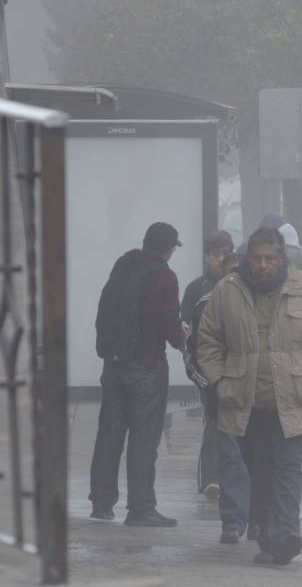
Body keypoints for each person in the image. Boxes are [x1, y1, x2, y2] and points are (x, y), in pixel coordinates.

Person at [197, 227, 302, 565]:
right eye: (257, 258)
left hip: (295, 401)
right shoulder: (227, 292)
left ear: (282, 258)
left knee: (288, 468)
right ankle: (266, 534)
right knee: (259, 472)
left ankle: (285, 534)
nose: (263, 265)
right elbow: (208, 342)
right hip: (246, 403)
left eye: (270, 258)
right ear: (247, 258)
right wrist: (219, 382)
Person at [89, 222, 185, 527]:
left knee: (109, 436)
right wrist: (184, 343)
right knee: (144, 440)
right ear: (169, 249)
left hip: (114, 367)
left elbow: (104, 308)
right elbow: (168, 321)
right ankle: (141, 508)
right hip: (147, 368)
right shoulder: (164, 276)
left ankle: (102, 503)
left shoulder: (123, 265)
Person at [183, 253, 253, 544]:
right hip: (222, 395)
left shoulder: (261, 303)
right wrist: (211, 384)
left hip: (256, 396)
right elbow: (196, 348)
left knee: (254, 458)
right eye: (230, 274)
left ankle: (256, 518)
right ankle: (233, 521)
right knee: (229, 456)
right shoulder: (205, 302)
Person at [181, 229, 234, 499]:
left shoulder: (241, 284)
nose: (221, 259)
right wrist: (197, 373)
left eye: (226, 253)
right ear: (206, 256)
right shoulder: (196, 289)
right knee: (214, 421)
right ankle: (211, 478)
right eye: (216, 254)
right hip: (207, 372)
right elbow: (186, 336)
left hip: (238, 371)